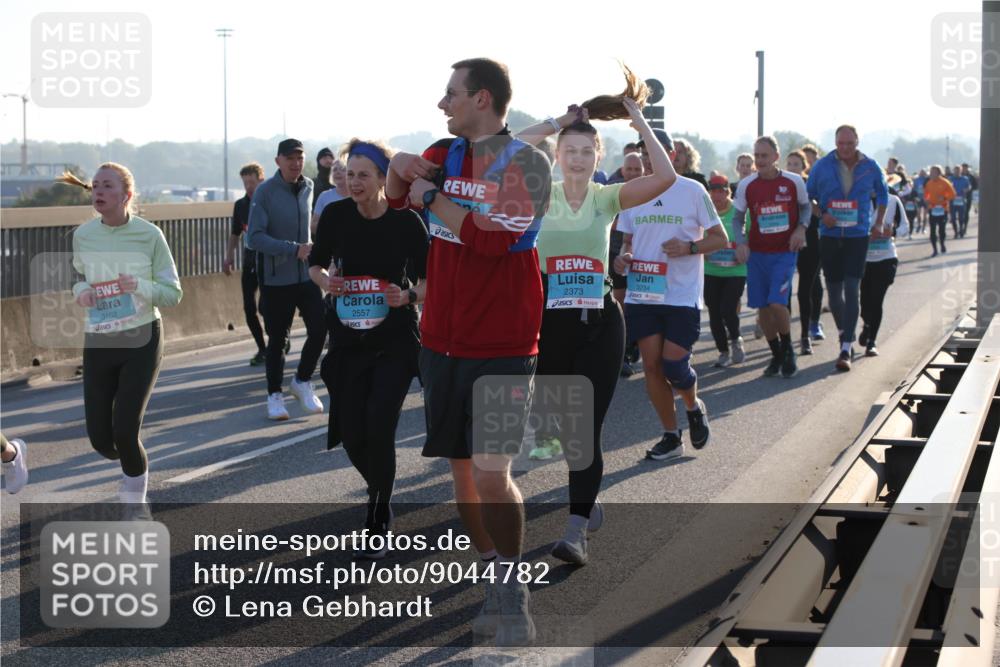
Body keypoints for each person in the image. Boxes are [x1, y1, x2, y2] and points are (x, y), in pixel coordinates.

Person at [385, 57, 552, 646]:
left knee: (491, 472)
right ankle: (493, 572)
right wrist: (401, 167)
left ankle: (512, 586)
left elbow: (490, 240)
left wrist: (431, 195)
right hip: (441, 340)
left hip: (505, 343)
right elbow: (395, 196)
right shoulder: (442, 152)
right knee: (463, 475)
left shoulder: (528, 164)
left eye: (451, 93)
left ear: (482, 98)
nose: (442, 104)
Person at [514, 94, 676, 565]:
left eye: (587, 151)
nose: (578, 159)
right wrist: (559, 121)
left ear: (598, 157)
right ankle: (588, 497)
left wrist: (638, 120)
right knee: (563, 427)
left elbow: (665, 177)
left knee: (585, 428)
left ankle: (576, 530)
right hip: (548, 326)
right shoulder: (540, 192)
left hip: (599, 324)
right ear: (557, 155)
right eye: (570, 150)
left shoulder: (607, 198)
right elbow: (507, 151)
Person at [309, 138, 428, 558]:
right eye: (349, 174)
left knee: (379, 423)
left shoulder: (407, 222)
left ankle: (378, 513)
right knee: (352, 433)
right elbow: (315, 263)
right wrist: (327, 281)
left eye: (363, 175)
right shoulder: (336, 215)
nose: (354, 182)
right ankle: (379, 484)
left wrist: (407, 296)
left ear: (382, 178)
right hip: (348, 339)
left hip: (394, 339)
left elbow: (429, 282)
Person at [60, 163, 182, 506]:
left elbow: (173, 293)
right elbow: (78, 277)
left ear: (126, 195)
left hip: (142, 338)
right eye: (96, 185)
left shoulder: (149, 235)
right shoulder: (83, 235)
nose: (98, 191)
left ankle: (134, 502)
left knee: (126, 430)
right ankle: (129, 456)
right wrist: (82, 291)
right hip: (100, 339)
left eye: (107, 186)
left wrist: (139, 285)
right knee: (101, 440)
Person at [615, 134, 729, 460]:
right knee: (651, 367)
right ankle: (671, 435)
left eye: (654, 153)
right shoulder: (633, 192)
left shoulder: (693, 190)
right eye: (643, 155)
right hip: (643, 293)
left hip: (680, 294)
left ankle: (693, 406)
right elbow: (628, 242)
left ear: (672, 154)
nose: (648, 161)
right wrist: (623, 257)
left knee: (674, 364)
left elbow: (719, 238)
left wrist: (689, 247)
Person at [247, 139, 327, 420]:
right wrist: (293, 249)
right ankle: (274, 396)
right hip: (276, 279)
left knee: (320, 329)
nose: (296, 163)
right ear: (278, 161)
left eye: (299, 158)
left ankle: (302, 381)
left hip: (306, 275)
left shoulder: (308, 186)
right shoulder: (265, 192)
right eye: (290, 158)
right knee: (278, 340)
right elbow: (254, 237)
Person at [806, 125, 888, 372]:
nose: (845, 148)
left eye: (849, 143)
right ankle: (846, 334)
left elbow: (883, 195)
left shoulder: (870, 166)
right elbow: (808, 198)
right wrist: (822, 214)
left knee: (852, 289)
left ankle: (845, 348)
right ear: (835, 143)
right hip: (830, 235)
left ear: (857, 142)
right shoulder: (822, 166)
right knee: (834, 294)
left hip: (857, 235)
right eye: (841, 143)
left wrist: (879, 222)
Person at [731, 136, 811, 378]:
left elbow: (806, 207)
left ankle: (788, 350)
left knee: (777, 302)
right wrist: (741, 242)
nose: (759, 160)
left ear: (776, 157)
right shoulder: (747, 185)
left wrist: (801, 229)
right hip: (757, 255)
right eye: (757, 155)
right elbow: (737, 218)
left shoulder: (793, 181)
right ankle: (776, 355)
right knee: (763, 307)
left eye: (764, 155)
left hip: (784, 253)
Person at [224, 162, 271, 366]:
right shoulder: (241, 205)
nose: (249, 187)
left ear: (261, 180)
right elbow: (235, 233)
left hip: (269, 260)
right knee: (249, 307)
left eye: (252, 182)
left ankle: (279, 339)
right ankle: (262, 349)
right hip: (250, 260)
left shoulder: (269, 202)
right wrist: (228, 257)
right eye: (245, 183)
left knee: (265, 307)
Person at [859, 185, 909, 357]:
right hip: (864, 260)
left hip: (886, 259)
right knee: (864, 303)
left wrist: (892, 232)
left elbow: (905, 227)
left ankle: (872, 342)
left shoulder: (893, 201)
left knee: (877, 300)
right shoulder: (859, 198)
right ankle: (867, 325)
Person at [703, 174, 747, 367]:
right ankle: (723, 351)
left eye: (721, 192)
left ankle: (736, 340)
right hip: (711, 270)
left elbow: (751, 235)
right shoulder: (705, 212)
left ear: (728, 192)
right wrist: (702, 249)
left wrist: (744, 249)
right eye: (713, 192)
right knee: (714, 312)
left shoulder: (739, 212)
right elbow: (696, 235)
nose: (717, 196)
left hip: (735, 270)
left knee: (728, 308)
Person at [610, 151, 645, 377]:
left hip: (644, 258)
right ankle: (621, 354)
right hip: (617, 254)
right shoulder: (614, 191)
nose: (632, 173)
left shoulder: (651, 191)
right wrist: (620, 222)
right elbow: (605, 219)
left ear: (643, 171)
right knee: (620, 304)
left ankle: (636, 344)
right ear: (623, 170)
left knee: (639, 303)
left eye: (637, 169)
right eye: (629, 169)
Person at [786, 149, 825, 352]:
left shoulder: (811, 184)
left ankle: (805, 335)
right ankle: (786, 339)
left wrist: (810, 203)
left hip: (810, 240)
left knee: (806, 290)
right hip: (785, 242)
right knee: (785, 292)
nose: (792, 168)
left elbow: (820, 212)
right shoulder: (781, 185)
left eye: (796, 164)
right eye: (789, 164)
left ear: (804, 167)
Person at [924, 165, 956, 257]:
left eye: (933, 172)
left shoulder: (945, 182)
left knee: (942, 230)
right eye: (931, 172)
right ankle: (934, 250)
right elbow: (926, 195)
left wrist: (944, 197)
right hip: (933, 209)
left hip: (943, 209)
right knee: (932, 230)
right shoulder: (929, 183)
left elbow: (953, 194)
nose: (931, 174)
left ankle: (942, 244)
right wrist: (927, 200)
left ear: (939, 173)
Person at [310, 158, 349, 235]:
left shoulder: (358, 196)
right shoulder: (324, 196)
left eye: (342, 169)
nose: (338, 172)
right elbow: (313, 226)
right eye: (334, 170)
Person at [948, 165, 971, 238]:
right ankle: (955, 232)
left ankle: (961, 229)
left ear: (961, 171)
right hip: (953, 200)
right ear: (953, 171)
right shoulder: (950, 179)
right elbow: (946, 188)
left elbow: (969, 186)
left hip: (961, 199)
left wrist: (966, 189)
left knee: (961, 217)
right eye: (955, 171)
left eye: (958, 171)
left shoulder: (965, 179)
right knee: (953, 218)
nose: (957, 172)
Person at [913, 168, 929, 233]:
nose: (922, 173)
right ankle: (919, 225)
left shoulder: (927, 179)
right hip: (918, 199)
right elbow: (914, 189)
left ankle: (924, 228)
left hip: (925, 199)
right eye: (921, 172)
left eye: (923, 172)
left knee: (925, 214)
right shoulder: (916, 180)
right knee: (918, 213)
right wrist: (915, 197)